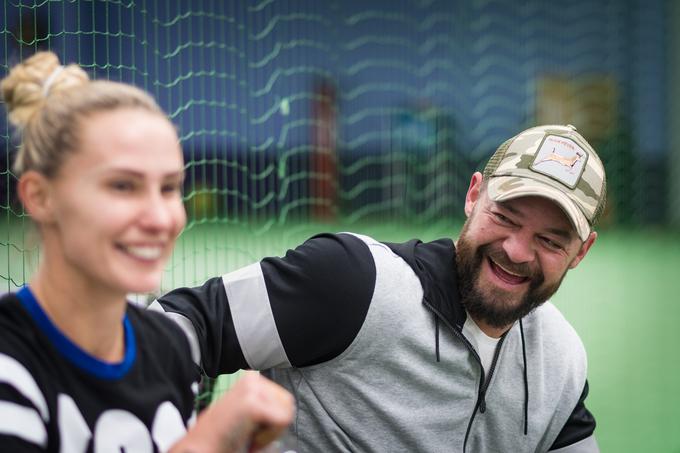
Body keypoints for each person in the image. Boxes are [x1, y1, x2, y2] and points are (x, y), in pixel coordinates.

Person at [156, 124, 605, 452]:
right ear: (473, 196)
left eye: (549, 240)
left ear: (580, 254)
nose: (517, 250)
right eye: (505, 216)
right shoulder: (356, 283)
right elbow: (175, 327)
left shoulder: (559, 360)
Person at [0, 51, 294, 452]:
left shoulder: (168, 348)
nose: (160, 218)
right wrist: (206, 444)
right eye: (123, 186)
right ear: (40, 196)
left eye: (170, 188)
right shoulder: (11, 363)